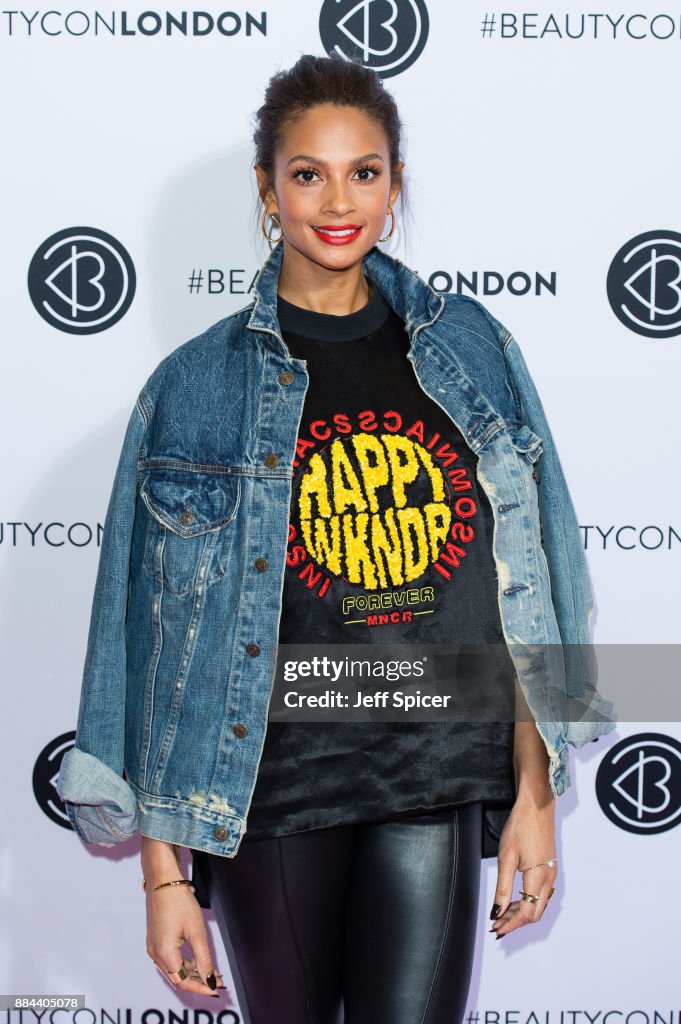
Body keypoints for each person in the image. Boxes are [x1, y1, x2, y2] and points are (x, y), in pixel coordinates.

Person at [57, 52, 615, 1024]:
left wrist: (535, 795)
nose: (337, 199)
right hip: (269, 790)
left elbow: (535, 584)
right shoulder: (196, 388)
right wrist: (162, 873)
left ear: (397, 183)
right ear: (268, 190)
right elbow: (140, 646)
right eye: (307, 172)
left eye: (365, 170)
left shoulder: (473, 351)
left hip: (433, 777)